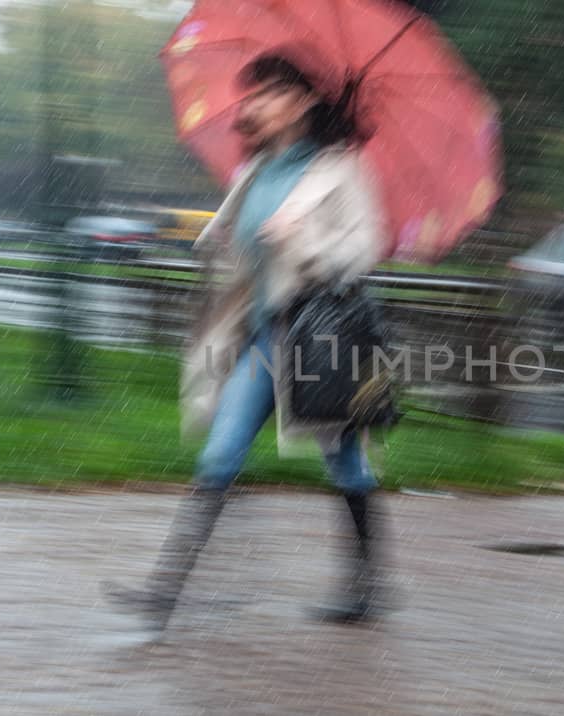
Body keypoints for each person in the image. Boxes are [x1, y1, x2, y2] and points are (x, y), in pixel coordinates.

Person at [104, 54, 390, 630]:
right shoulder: (255, 172)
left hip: (319, 341)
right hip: (263, 338)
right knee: (219, 454)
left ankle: (367, 587)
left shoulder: (341, 169)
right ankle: (163, 594)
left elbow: (365, 248)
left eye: (269, 91)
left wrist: (302, 240)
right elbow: (241, 253)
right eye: (252, 93)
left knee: (347, 466)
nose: (254, 103)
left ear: (305, 100)